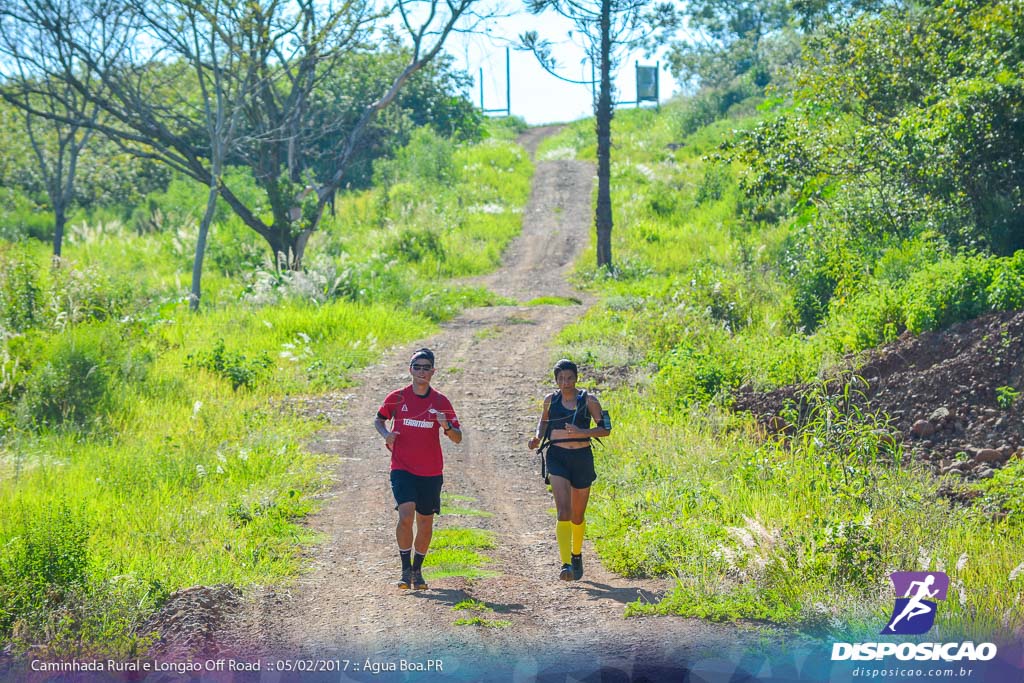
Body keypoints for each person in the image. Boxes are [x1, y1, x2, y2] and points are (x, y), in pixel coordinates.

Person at [374, 348, 462, 590]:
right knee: (405, 516)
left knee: (425, 522)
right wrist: (386, 434)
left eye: (426, 367)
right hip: (402, 467)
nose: (421, 371)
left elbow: (458, 438)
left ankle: (417, 570)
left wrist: (446, 426)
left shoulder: (441, 401)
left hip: (431, 471)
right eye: (417, 367)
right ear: (410, 369)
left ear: (433, 371)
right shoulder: (397, 397)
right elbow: (378, 419)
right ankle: (404, 570)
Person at [527, 359, 610, 581]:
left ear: (576, 378)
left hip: (582, 458)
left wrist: (581, 432)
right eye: (561, 379)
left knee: (577, 515)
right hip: (557, 457)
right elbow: (543, 422)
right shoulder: (550, 400)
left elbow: (605, 430)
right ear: (556, 380)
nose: (565, 383)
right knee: (563, 511)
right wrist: (537, 437)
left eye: (569, 378)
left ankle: (576, 554)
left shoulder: (589, 401)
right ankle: (565, 564)